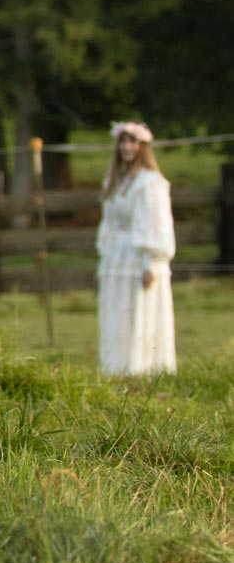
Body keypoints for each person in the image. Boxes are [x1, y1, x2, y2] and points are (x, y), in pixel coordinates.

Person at [95, 120, 177, 375]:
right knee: (118, 312)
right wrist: (104, 258)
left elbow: (155, 223)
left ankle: (143, 369)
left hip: (139, 256)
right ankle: (116, 368)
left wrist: (150, 262)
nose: (127, 147)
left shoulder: (150, 183)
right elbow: (108, 223)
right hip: (117, 257)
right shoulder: (114, 182)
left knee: (140, 311)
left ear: (142, 146)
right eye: (123, 141)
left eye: (133, 142)